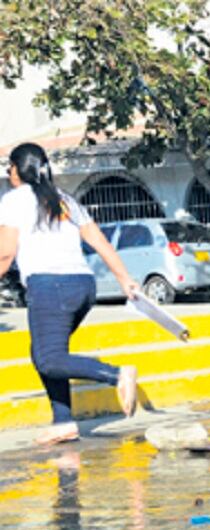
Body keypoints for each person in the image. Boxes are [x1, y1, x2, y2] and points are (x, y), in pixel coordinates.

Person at [0, 143, 140, 446]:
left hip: (51, 286)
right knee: (45, 353)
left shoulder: (13, 200)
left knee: (49, 359)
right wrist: (124, 279)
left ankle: (116, 374)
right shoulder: (65, 200)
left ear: (17, 169)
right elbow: (99, 241)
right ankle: (63, 422)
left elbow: (5, 254)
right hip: (83, 286)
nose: (8, 173)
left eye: (9, 167)